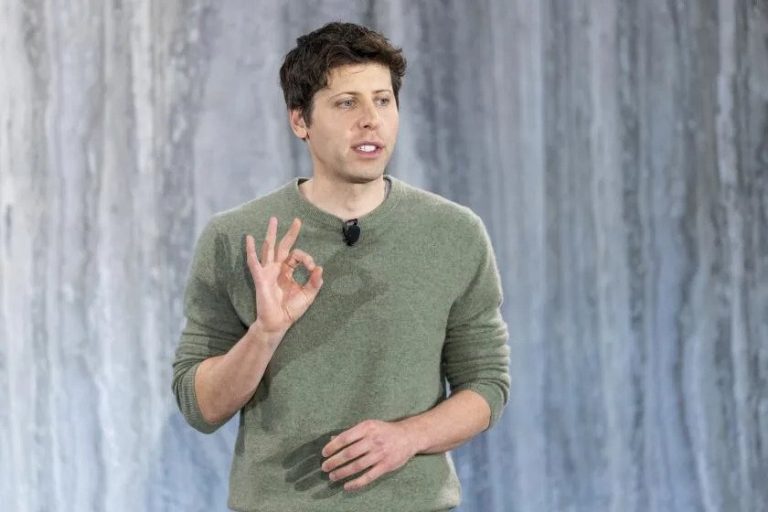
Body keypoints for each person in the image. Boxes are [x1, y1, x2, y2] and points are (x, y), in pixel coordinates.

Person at [172, 21, 510, 512]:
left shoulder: (455, 233)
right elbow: (199, 407)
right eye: (346, 103)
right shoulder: (236, 237)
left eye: (383, 101)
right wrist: (265, 333)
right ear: (300, 121)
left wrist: (408, 437)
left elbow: (486, 383)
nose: (370, 120)